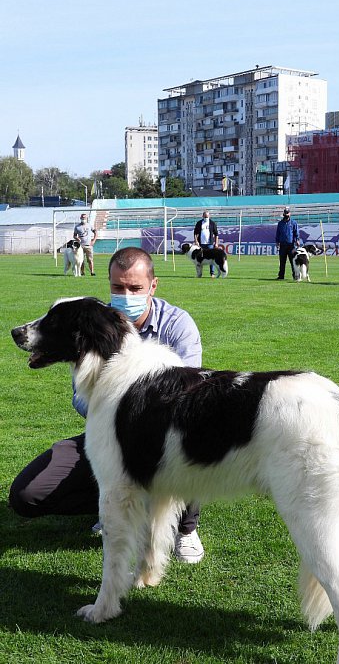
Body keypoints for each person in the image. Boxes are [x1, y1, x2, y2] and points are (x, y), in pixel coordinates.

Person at [9, 247, 205, 564]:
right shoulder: (90, 325)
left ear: (152, 286)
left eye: (135, 288)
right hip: (106, 435)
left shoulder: (178, 326)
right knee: (26, 496)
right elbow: (80, 397)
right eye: (118, 287)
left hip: (164, 437)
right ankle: (113, 505)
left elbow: (185, 396)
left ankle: (185, 528)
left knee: (188, 438)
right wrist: (113, 413)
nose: (125, 294)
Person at [275, 207, 300, 280]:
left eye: (288, 213)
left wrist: (297, 240)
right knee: (282, 262)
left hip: (291, 246)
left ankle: (295, 276)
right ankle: (281, 276)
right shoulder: (280, 223)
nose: (287, 214)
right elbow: (278, 233)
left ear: (290, 213)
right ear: (283, 214)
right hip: (282, 245)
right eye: (285, 213)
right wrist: (277, 242)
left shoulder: (293, 223)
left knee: (293, 262)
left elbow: (296, 233)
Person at [193, 210, 219, 278]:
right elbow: (195, 233)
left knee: (211, 259)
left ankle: (212, 273)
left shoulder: (212, 223)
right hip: (201, 244)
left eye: (207, 216)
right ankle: (199, 274)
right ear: (202, 216)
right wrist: (196, 241)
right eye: (205, 216)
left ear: (209, 216)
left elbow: (216, 234)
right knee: (199, 259)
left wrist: (216, 243)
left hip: (209, 244)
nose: (206, 218)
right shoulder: (199, 223)